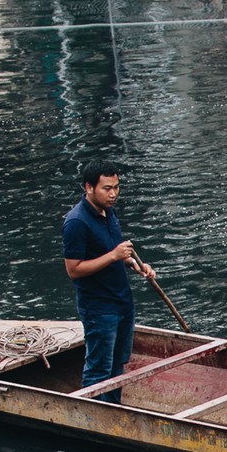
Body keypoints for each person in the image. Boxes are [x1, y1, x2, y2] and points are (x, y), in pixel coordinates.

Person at [60, 160, 157, 399]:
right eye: (107, 188)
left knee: (117, 366)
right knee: (98, 371)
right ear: (89, 187)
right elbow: (74, 269)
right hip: (99, 308)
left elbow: (112, 252)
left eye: (116, 187)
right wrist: (114, 255)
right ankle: (92, 422)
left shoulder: (109, 212)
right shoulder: (76, 222)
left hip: (122, 303)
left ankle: (113, 415)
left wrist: (134, 264)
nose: (113, 194)